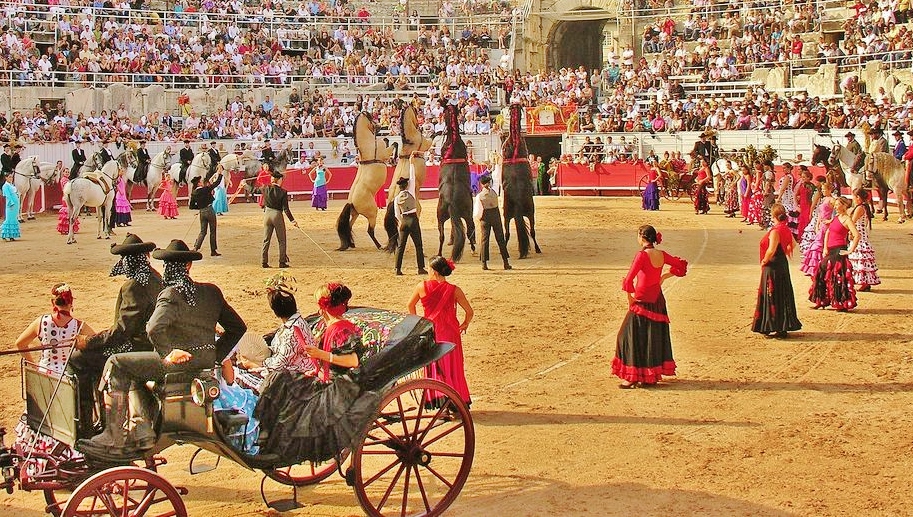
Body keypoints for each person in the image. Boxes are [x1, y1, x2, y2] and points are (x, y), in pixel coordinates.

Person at [76, 240, 247, 461]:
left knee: (116, 363)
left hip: (175, 365)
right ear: (189, 266)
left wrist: (168, 353)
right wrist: (214, 356)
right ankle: (141, 429)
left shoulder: (170, 295)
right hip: (202, 363)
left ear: (168, 266)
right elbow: (237, 328)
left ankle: (113, 435)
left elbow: (153, 328)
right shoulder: (211, 292)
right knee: (132, 367)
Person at [254, 283, 374, 465]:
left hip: (340, 385)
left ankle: (276, 442)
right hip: (325, 378)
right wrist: (316, 368)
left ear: (324, 307)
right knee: (281, 378)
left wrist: (321, 355)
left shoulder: (342, 328)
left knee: (283, 381)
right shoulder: (331, 326)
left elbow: (353, 361)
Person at [68, 234, 163, 438]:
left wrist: (89, 342)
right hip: (149, 344)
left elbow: (122, 331)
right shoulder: (155, 277)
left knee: (77, 360)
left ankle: (88, 426)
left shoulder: (134, 285)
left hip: (136, 347)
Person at [217, 287, 319, 454]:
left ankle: (258, 424)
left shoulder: (292, 330)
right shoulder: (294, 322)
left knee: (242, 377)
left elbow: (279, 363)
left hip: (294, 375)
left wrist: (254, 364)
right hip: (287, 367)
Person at [613, 225, 688, 388]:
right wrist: (664, 277)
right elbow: (680, 266)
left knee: (626, 336)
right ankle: (649, 376)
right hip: (657, 300)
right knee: (651, 337)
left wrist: (630, 299)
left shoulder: (641, 256)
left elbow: (628, 280)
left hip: (642, 299)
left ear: (642, 237)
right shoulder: (661, 254)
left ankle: (632, 376)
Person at [407, 256, 474, 406]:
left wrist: (418, 323)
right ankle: (456, 400)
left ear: (435, 271)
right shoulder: (454, 290)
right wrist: (465, 324)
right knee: (452, 367)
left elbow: (410, 305)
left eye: (430, 268)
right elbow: (469, 311)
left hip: (431, 331)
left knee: (435, 366)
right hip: (450, 333)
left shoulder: (421, 286)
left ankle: (438, 401)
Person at [14, 284, 95, 375]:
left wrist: (34, 367)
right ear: (70, 302)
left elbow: (20, 344)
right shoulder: (80, 326)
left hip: (44, 373)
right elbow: (97, 343)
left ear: (53, 302)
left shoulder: (41, 321)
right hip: (68, 375)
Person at [751, 204, 802, 338]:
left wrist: (765, 260)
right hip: (782, 264)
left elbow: (771, 249)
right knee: (782, 292)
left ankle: (771, 324)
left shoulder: (775, 231)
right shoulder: (785, 229)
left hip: (772, 265)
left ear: (774, 216)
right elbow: (794, 244)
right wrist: (785, 250)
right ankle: (781, 327)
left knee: (771, 293)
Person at [810, 197, 861, 311]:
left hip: (839, 250)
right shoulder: (836, 217)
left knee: (837, 276)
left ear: (844, 206)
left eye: (838, 204)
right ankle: (821, 300)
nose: (836, 206)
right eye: (836, 204)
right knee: (822, 272)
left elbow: (857, 235)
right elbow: (828, 232)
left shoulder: (847, 219)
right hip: (830, 249)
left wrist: (850, 250)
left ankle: (841, 303)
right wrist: (824, 248)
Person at [393, 164, 427, 276]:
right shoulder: (411, 192)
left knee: (400, 246)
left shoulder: (397, 198)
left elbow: (397, 214)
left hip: (404, 220)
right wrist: (412, 163)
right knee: (418, 245)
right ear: (407, 185)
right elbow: (412, 177)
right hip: (413, 219)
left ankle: (397, 269)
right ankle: (421, 268)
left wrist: (402, 221)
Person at [261, 173, 298, 268]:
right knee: (282, 240)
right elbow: (286, 209)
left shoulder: (265, 188)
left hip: (267, 215)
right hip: (277, 215)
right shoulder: (283, 192)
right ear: (279, 180)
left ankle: (264, 262)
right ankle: (282, 262)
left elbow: (253, 189)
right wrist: (293, 221)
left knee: (266, 240)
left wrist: (244, 184)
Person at [475, 174, 512, 270]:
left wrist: (479, 219)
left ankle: (484, 264)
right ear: (489, 183)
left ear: (481, 184)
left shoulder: (480, 196)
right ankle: (505, 262)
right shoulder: (494, 193)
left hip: (485, 217)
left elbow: (477, 212)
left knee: (484, 240)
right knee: (500, 239)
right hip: (495, 215)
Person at [847, 188, 880, 292]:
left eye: (854, 196)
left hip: (858, 234)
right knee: (863, 258)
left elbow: (852, 222)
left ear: (858, 197)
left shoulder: (859, 208)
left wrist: (850, 232)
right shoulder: (864, 207)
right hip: (862, 233)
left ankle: (864, 282)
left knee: (859, 257)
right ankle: (865, 282)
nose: (853, 198)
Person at [190, 172, 223, 257]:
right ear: (198, 183)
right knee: (212, 231)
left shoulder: (194, 193)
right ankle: (213, 250)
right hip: (209, 210)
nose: (202, 182)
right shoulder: (204, 189)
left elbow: (191, 206)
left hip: (202, 212)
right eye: (200, 181)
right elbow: (216, 183)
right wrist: (220, 173)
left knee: (202, 231)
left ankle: (196, 248)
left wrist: (201, 207)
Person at [56, 168, 80, 235]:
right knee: (68, 212)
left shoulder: (66, 180)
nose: (67, 173)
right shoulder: (64, 180)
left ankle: (68, 228)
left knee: (69, 212)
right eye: (66, 172)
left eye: (68, 172)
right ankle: (67, 228)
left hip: (66, 197)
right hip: (66, 197)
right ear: (63, 173)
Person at [2, 172, 21, 241]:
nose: (11, 178)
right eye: (9, 177)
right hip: (11, 205)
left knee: (13, 219)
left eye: (12, 177)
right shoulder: (5, 186)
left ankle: (11, 236)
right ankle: (5, 234)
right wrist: (11, 203)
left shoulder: (11, 185)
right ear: (6, 178)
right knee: (9, 220)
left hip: (15, 204)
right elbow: (8, 196)